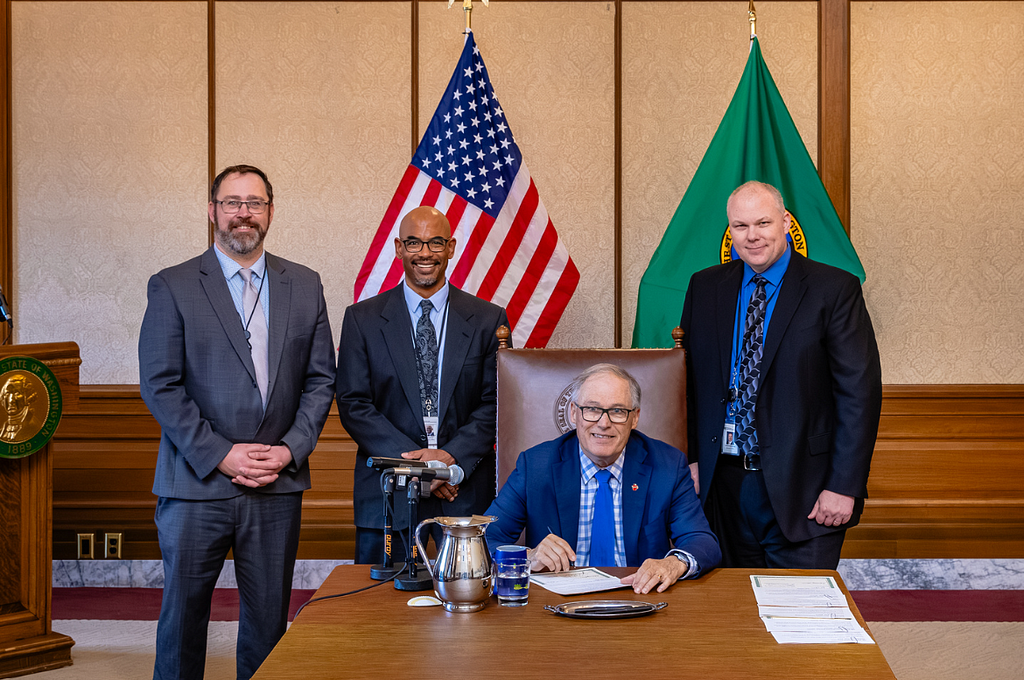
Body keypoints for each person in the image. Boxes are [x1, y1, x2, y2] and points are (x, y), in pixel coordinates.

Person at [139, 165, 336, 680]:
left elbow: (320, 381)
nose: (243, 212)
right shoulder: (173, 285)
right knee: (183, 621)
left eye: (254, 202)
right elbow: (160, 385)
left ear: (270, 211)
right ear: (212, 212)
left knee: (269, 624)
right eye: (232, 202)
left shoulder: (306, 284)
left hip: (277, 481)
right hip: (195, 483)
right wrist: (222, 454)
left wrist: (291, 449)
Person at [680, 180, 882, 569]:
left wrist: (844, 485)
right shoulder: (704, 287)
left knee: (801, 618)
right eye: (740, 226)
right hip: (721, 486)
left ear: (786, 222)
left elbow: (859, 394)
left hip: (806, 490)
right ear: (730, 231)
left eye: (763, 223)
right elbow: (688, 385)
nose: (752, 236)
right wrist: (690, 459)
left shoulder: (834, 289)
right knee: (733, 616)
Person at [336, 205, 509, 564]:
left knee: (471, 608)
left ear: (451, 248)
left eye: (436, 243)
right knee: (381, 611)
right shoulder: (362, 319)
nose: (425, 253)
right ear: (399, 248)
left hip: (463, 490)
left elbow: (497, 401)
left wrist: (451, 460)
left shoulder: (488, 319)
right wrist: (421, 470)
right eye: (414, 243)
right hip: (389, 492)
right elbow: (354, 402)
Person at [484, 363, 721, 594]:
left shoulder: (667, 465)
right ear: (574, 413)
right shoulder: (535, 466)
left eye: (618, 411)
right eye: (592, 409)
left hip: (638, 598)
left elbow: (701, 541)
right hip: (556, 606)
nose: (604, 423)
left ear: (635, 418)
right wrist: (528, 557)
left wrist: (672, 564)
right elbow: (484, 540)